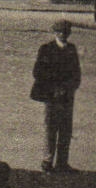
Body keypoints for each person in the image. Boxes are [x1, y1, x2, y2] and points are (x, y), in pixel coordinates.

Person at [31, 19, 81, 173]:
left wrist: (69, 88)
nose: (63, 34)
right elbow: (38, 72)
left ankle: (62, 163)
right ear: (54, 33)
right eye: (59, 32)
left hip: (67, 96)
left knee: (66, 129)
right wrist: (55, 87)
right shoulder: (46, 49)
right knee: (51, 129)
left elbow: (76, 74)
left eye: (66, 32)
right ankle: (47, 162)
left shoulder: (72, 49)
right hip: (51, 96)